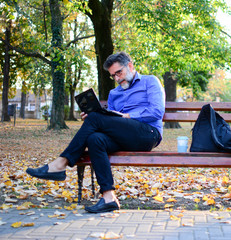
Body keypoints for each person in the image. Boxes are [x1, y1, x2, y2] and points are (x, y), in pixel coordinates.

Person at [26, 52, 165, 213]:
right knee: (95, 138)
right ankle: (109, 197)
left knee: (96, 118)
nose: (117, 78)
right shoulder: (115, 94)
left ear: (130, 66)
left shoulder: (150, 81)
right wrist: (93, 117)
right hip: (124, 137)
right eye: (113, 76)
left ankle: (61, 163)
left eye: (118, 72)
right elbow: (111, 123)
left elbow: (157, 111)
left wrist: (126, 116)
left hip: (148, 134)